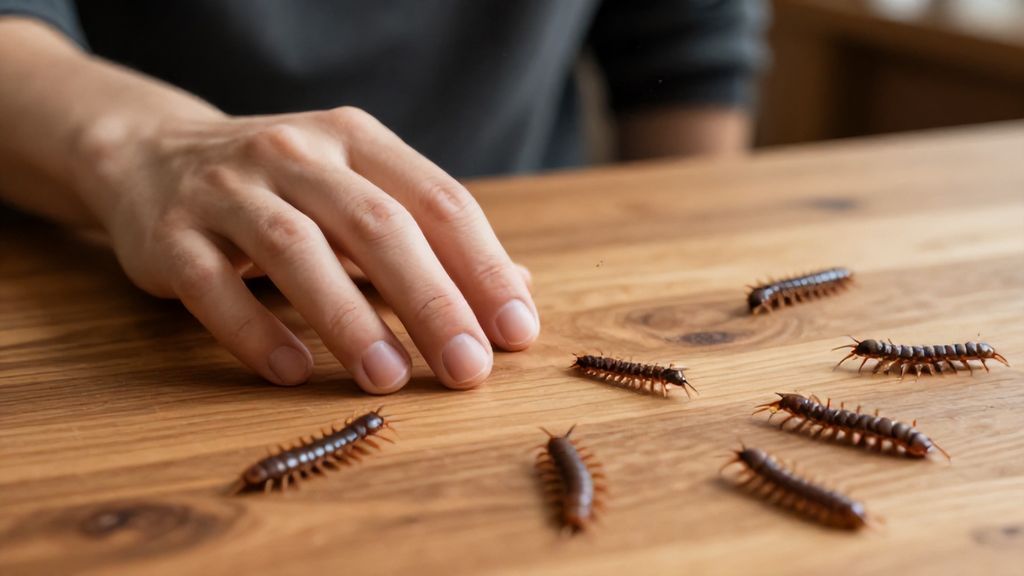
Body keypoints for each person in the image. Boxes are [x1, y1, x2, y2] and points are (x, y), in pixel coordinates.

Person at [0, 1, 767, 394]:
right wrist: (134, 147)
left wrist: (683, 293)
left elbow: (688, 43)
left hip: (524, 253)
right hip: (70, 254)